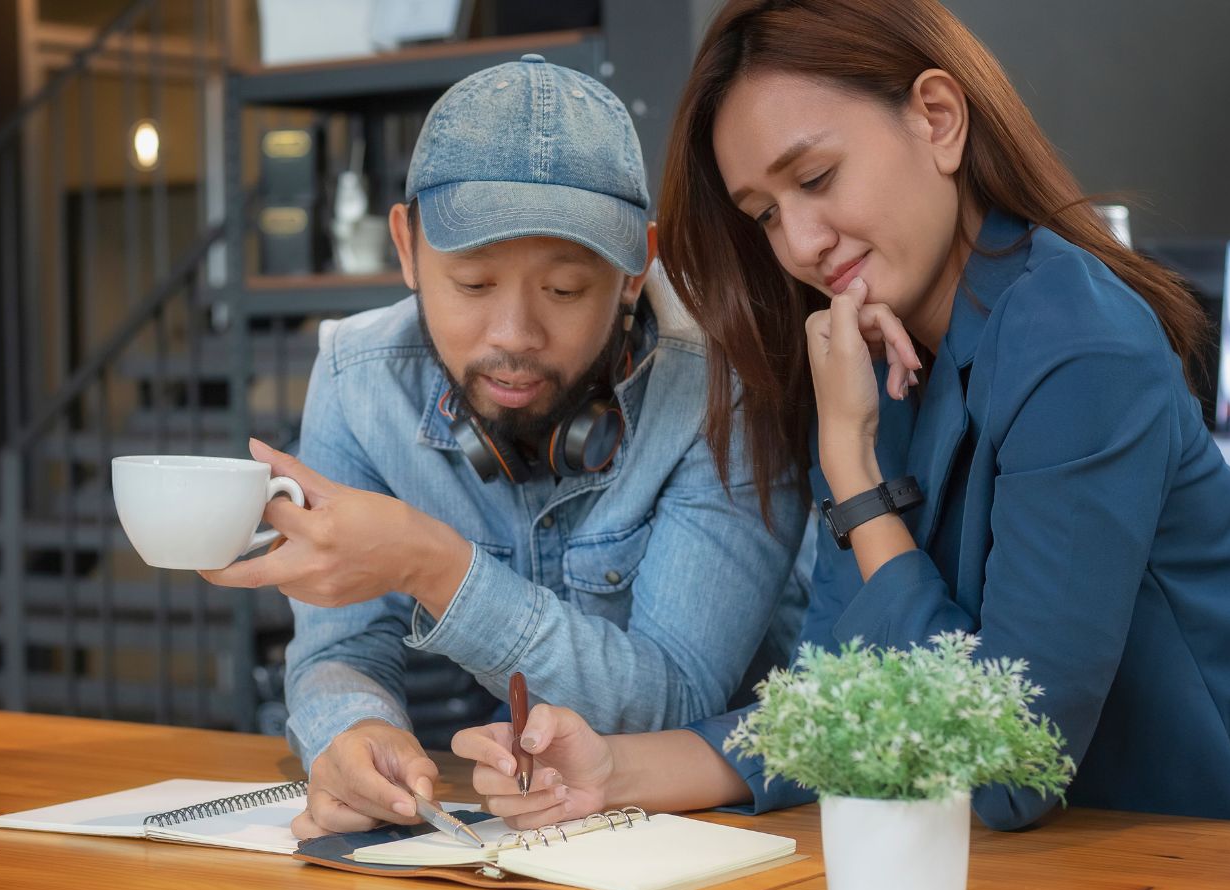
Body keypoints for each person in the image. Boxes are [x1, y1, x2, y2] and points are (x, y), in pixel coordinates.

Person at [452, 0, 1230, 832]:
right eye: (765, 213)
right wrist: (610, 773)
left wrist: (852, 475)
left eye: (815, 177)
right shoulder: (871, 366)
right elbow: (837, 703)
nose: (801, 244)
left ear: (938, 120)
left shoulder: (1077, 344)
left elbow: (1009, 760)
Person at [202, 54, 806, 839]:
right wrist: (352, 729)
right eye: (475, 285)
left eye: (564, 290)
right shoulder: (357, 379)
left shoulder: (725, 387)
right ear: (406, 247)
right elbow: (341, 644)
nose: (514, 336)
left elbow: (678, 698)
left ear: (634, 272)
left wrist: (435, 566)